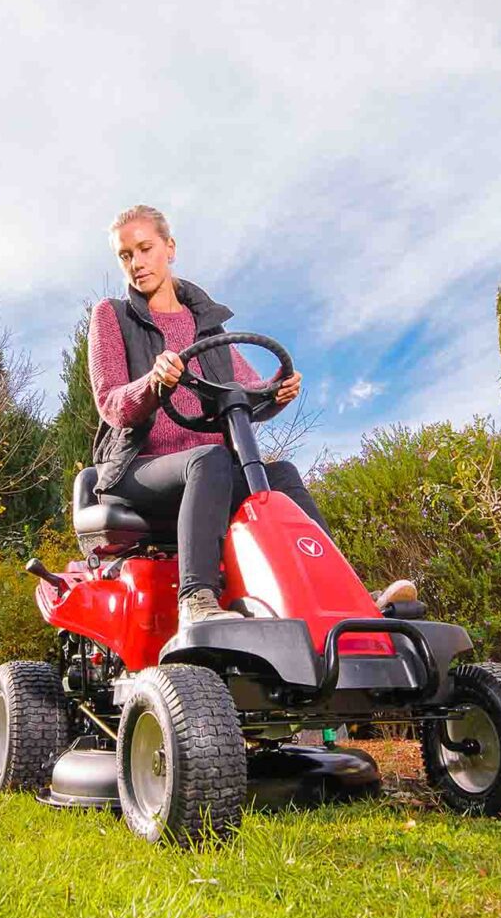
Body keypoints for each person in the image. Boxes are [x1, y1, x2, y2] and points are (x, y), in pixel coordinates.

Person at [88, 204, 416, 629]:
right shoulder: (112, 316)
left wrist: (279, 391)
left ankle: (347, 594)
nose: (136, 263)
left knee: (280, 477)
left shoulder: (207, 328)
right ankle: (196, 598)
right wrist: (152, 383)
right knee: (209, 457)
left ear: (170, 249)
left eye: (144, 248)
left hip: (211, 471)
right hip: (137, 471)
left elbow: (250, 392)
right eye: (125, 255)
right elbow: (111, 403)